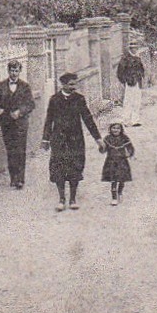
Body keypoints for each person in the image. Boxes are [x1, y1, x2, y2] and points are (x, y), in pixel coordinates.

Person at [41, 72, 102, 211]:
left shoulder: (79, 99)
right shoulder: (54, 99)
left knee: (75, 166)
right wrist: (45, 139)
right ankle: (62, 199)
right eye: (71, 84)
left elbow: (88, 119)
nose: (74, 87)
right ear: (63, 84)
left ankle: (73, 198)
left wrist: (97, 138)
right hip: (59, 139)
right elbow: (48, 120)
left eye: (75, 84)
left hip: (76, 139)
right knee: (59, 167)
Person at [0, 60, 36, 189]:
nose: (14, 73)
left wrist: (20, 112)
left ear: (19, 71)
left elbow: (31, 104)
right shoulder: (1, 85)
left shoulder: (25, 86)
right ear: (8, 71)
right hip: (6, 122)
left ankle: (20, 179)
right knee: (11, 149)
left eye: (16, 70)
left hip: (21, 123)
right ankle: (13, 178)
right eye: (12, 70)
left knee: (20, 150)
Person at [100, 121, 136, 205]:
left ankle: (119, 192)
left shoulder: (124, 138)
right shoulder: (107, 138)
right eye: (113, 128)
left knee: (122, 180)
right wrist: (102, 147)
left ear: (121, 129)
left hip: (122, 161)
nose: (115, 130)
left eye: (118, 128)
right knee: (113, 180)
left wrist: (130, 153)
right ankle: (114, 198)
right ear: (110, 129)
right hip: (111, 161)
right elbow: (103, 150)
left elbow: (130, 147)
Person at [116, 44, 146, 127]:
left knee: (137, 101)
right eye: (133, 48)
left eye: (136, 48)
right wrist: (125, 81)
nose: (135, 49)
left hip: (138, 82)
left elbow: (142, 69)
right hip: (129, 83)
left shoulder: (138, 58)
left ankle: (135, 120)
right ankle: (126, 120)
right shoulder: (125, 59)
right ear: (130, 49)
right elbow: (120, 72)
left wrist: (141, 76)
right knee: (128, 102)